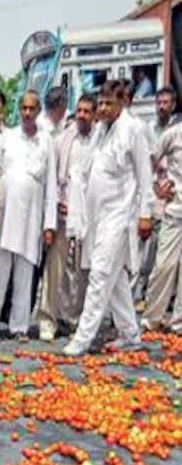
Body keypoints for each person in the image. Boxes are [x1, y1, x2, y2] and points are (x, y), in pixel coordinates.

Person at [64, 80, 154, 355]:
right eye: (100, 103)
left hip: (120, 215)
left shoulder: (134, 130)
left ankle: (83, 337)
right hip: (98, 215)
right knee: (114, 281)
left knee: (101, 275)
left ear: (122, 103)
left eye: (108, 104)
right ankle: (130, 334)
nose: (102, 108)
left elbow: (145, 175)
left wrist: (145, 214)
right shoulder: (100, 131)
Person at [0, 91, 57, 340]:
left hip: (31, 218)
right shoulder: (7, 138)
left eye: (31, 109)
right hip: (5, 214)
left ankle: (19, 327)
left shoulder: (47, 142)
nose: (26, 113)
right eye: (23, 108)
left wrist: (49, 225)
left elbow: (51, 186)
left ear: (38, 111)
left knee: (25, 274)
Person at [60, 94, 98, 328]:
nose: (82, 116)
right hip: (68, 212)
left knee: (85, 269)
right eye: (79, 111)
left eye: (86, 111)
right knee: (66, 269)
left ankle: (82, 317)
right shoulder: (67, 140)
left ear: (93, 115)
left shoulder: (98, 142)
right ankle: (65, 315)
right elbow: (60, 176)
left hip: (90, 213)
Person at [143, 104, 182, 332]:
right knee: (164, 265)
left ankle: (178, 323)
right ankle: (151, 319)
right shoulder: (174, 134)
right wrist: (158, 187)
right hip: (175, 209)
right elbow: (148, 160)